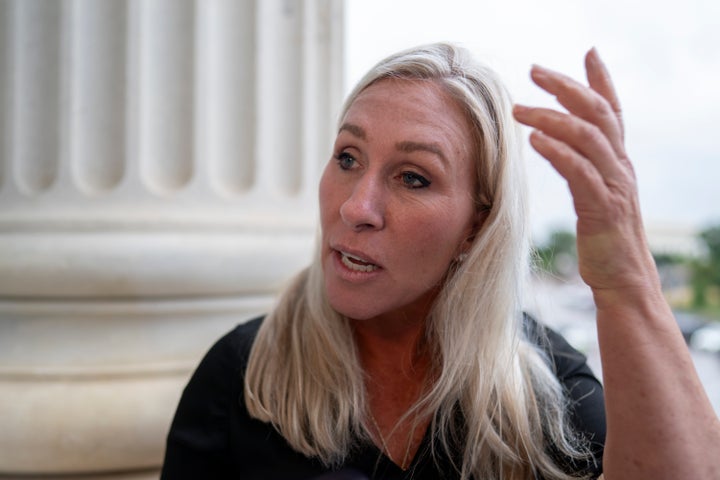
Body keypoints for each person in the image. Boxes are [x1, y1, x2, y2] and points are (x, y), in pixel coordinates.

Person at [160, 43, 720, 480]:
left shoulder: (542, 387)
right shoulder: (243, 376)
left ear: (476, 226)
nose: (356, 207)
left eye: (413, 177)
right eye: (348, 157)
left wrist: (624, 280)